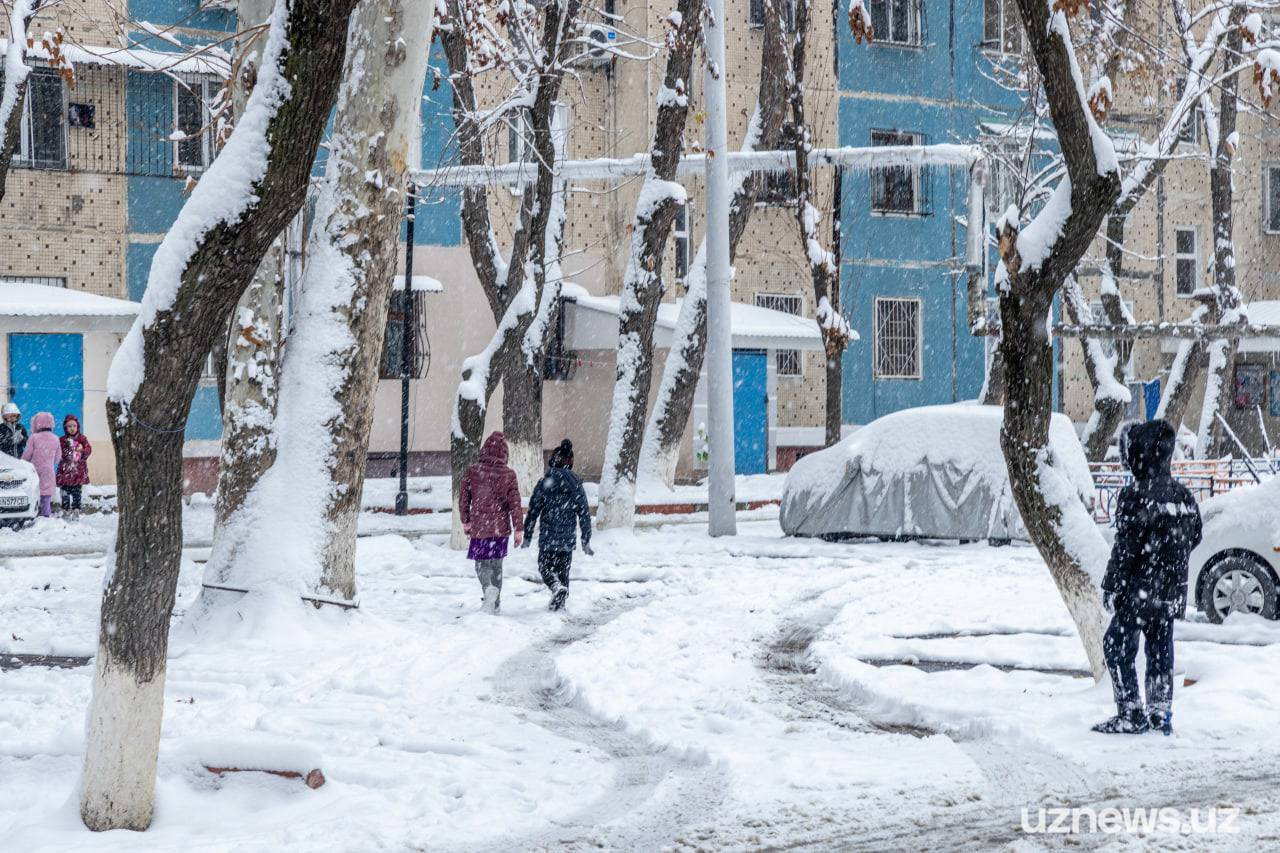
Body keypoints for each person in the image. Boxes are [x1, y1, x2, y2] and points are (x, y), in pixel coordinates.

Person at [1094, 419, 1202, 735]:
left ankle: (1130, 712)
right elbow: (1195, 535)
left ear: (1139, 454)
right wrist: (1170, 561)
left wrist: (1112, 586)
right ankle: (1160, 712)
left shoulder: (1135, 495)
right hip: (1171, 590)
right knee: (1160, 649)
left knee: (1116, 646)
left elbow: (1125, 548)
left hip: (1139, 589)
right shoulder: (1183, 495)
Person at [522, 439, 592, 611]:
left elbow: (533, 510)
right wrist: (585, 538)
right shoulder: (576, 485)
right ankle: (559, 606)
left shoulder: (545, 482)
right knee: (564, 571)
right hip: (567, 538)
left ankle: (555, 587)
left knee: (544, 567)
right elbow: (584, 513)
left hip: (549, 537)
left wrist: (527, 535)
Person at [458, 431, 523, 614]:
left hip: (480, 527)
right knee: (497, 566)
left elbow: (464, 498)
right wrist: (518, 528)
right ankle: (496, 604)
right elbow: (515, 503)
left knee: (481, 563)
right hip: (500, 529)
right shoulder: (509, 475)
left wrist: (466, 521)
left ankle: (487, 589)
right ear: (505, 454)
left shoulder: (473, 471)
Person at [21, 412, 60, 518]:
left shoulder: (34, 438)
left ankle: (34, 513)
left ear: (36, 423)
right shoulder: (56, 438)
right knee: (46, 494)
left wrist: (23, 463)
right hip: (48, 470)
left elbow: (26, 455)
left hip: (34, 470)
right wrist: (49, 462)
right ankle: (46, 513)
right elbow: (57, 457)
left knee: (34, 491)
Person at [57, 414, 91, 517]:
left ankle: (76, 509)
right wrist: (69, 450)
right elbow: (59, 453)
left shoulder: (82, 438)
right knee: (65, 491)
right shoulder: (62, 440)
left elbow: (89, 450)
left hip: (78, 470)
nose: (72, 428)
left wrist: (82, 450)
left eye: (74, 426)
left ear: (77, 427)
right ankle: (66, 510)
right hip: (65, 470)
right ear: (65, 428)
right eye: (69, 426)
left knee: (77, 491)